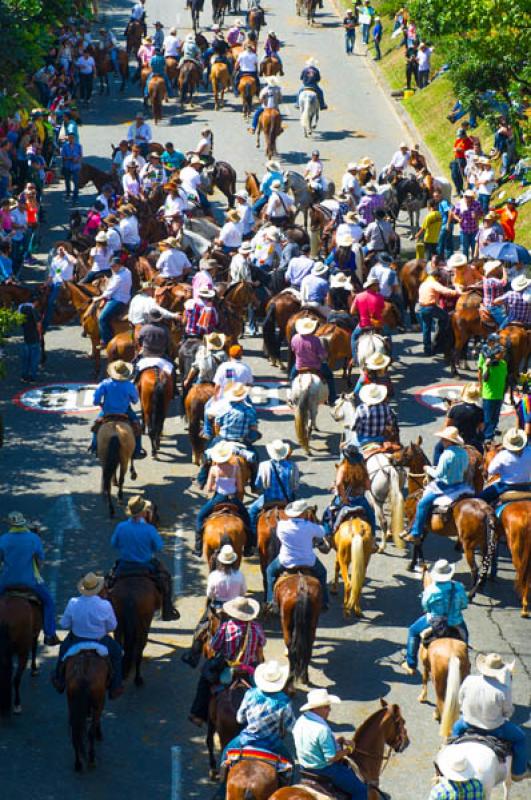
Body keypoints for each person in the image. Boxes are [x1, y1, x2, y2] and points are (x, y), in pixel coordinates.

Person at [452, 652, 530, 782]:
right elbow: (508, 712)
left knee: (453, 733)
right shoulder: (502, 690)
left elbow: (460, 699)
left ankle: (447, 758)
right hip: (495, 728)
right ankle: (518, 772)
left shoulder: (469, 680)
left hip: (467, 724)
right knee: (520, 738)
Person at [188, 596, 265, 727]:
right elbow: (259, 650)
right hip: (248, 668)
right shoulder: (257, 628)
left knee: (204, 682)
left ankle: (198, 715)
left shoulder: (226, 627)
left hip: (227, 667)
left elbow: (215, 646)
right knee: (266, 690)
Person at [52, 572, 124, 698]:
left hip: (76, 640)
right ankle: (116, 686)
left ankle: (59, 679)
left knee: (63, 649)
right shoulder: (105, 605)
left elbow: (64, 624)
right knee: (117, 652)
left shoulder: (73, 602)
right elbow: (113, 626)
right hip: (101, 640)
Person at [110, 495, 179, 620]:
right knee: (166, 579)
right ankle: (167, 610)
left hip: (124, 564)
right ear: (143, 512)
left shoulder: (121, 527)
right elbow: (158, 547)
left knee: (109, 582)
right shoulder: (149, 529)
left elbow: (114, 543)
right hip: (146, 564)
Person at [293, 688, 368, 799]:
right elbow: (331, 758)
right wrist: (349, 750)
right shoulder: (322, 729)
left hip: (304, 766)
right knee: (360, 790)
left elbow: (313, 744)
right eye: (326, 707)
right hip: (324, 769)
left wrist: (336, 741)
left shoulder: (300, 721)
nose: (330, 709)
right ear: (316, 708)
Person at [181, 544, 247, 669]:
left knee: (200, 628)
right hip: (235, 607)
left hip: (217, 607)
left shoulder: (214, 576)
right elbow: (243, 592)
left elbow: (209, 594)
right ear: (233, 561)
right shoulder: (239, 575)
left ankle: (193, 655)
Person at [0, 511, 60, 646]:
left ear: (10, 524)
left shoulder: (3, 539)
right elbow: (40, 559)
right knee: (49, 602)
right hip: (30, 581)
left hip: (6, 581)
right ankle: (50, 634)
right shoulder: (34, 538)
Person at [402, 427, 470, 543]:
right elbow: (464, 468)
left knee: (422, 504)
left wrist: (427, 468)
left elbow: (438, 474)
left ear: (449, 441)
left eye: (444, 439)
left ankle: (416, 533)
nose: (442, 441)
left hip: (445, 486)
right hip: (460, 484)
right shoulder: (463, 452)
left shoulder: (447, 454)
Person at [221, 659, 295, 766]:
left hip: (247, 739)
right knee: (290, 764)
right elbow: (291, 727)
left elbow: (239, 718)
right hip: (272, 743)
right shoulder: (284, 702)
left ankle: (222, 781)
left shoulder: (250, 693)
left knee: (225, 755)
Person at [401, 559, 468, 674]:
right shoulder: (459, 587)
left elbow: (425, 606)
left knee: (413, 631)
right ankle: (466, 661)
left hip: (435, 621)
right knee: (465, 639)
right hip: (456, 622)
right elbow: (464, 604)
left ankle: (410, 663)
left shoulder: (430, 590)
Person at [265, 499, 329, 611]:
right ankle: (324, 601)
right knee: (323, 572)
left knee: (270, 571)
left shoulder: (282, 526)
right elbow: (324, 531)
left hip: (286, 561)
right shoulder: (310, 526)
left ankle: (271, 601)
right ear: (304, 513)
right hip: (308, 561)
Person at [195, 441, 252, 556]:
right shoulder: (236, 468)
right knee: (247, 518)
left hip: (218, 499)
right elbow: (240, 489)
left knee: (200, 516)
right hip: (233, 498)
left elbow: (209, 489)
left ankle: (198, 547)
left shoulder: (214, 470)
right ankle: (248, 546)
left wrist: (217, 485)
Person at [92, 360, 146, 459]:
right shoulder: (129, 385)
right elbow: (135, 400)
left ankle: (94, 447)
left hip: (107, 412)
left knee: (96, 426)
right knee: (137, 427)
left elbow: (96, 400)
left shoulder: (105, 383)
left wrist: (99, 403)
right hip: (124, 411)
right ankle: (138, 450)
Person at [248, 439, 300, 536]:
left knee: (251, 511)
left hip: (268, 500)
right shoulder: (293, 466)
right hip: (286, 500)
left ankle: (253, 537)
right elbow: (295, 486)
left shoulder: (264, 465)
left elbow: (258, 485)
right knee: (300, 514)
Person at [290, 316, 337, 405]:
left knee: (292, 377)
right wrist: (325, 355)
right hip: (316, 367)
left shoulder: (295, 338)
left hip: (299, 366)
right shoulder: (316, 340)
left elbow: (294, 350)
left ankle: (292, 398)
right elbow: (322, 356)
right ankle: (332, 399)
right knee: (329, 377)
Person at [433, 384, 484, 464]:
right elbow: (480, 428)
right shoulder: (480, 411)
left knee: (438, 448)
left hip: (455, 439)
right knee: (481, 451)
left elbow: (446, 426)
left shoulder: (455, 408)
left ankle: (436, 467)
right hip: (471, 440)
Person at [417, 263, 460, 356]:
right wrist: (456, 292)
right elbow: (445, 291)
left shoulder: (424, 283)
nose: (440, 280)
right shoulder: (433, 283)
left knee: (426, 328)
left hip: (422, 307)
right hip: (430, 307)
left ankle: (427, 350)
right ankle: (440, 342)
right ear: (436, 277)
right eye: (439, 278)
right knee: (446, 318)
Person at [479, 427, 531, 504]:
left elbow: (491, 471)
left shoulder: (502, 455)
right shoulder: (529, 451)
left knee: (479, 499)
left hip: (506, 486)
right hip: (526, 486)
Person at [94, 257, 132, 347]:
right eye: (111, 266)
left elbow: (109, 291)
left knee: (102, 319)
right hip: (127, 297)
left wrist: (98, 298)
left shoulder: (118, 277)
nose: (112, 268)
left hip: (117, 300)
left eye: (114, 266)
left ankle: (107, 341)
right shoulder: (127, 271)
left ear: (119, 265)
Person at [477, 335, 508, 441]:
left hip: (499, 395)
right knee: (487, 419)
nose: (503, 354)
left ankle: (490, 434)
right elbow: (485, 377)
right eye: (501, 352)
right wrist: (488, 367)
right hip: (489, 396)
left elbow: (504, 380)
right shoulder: (489, 363)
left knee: (495, 418)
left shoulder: (504, 364)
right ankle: (487, 439)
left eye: (504, 352)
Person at [42, 245, 77, 331]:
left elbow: (75, 262)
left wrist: (65, 253)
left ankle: (46, 322)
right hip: (55, 281)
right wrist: (46, 283)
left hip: (65, 283)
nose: (61, 250)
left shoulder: (68, 258)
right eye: (59, 249)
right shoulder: (55, 259)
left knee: (51, 301)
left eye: (63, 249)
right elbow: (54, 272)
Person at [350, 277, 385, 355]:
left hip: (363, 324)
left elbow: (352, 312)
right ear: (372, 286)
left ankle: (355, 359)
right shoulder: (380, 297)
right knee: (388, 337)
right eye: (377, 285)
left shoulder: (358, 296)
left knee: (354, 337)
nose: (378, 287)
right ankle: (389, 355)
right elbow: (382, 310)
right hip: (377, 324)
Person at [450, 190, 483, 259]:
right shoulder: (459, 204)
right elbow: (453, 214)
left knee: (475, 249)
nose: (469, 199)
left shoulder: (477, 204)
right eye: (467, 197)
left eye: (471, 197)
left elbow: (482, 214)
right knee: (465, 249)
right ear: (464, 197)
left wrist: (477, 216)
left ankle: (474, 263)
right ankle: (466, 264)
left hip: (474, 230)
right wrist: (458, 219)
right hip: (464, 231)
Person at [17, 300, 41, 383]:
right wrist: (40, 335)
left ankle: (24, 376)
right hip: (34, 338)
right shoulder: (33, 310)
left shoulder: (21, 309)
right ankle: (32, 377)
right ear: (35, 302)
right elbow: (38, 324)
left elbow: (19, 323)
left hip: (26, 337)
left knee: (25, 359)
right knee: (34, 359)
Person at [479, 260, 508, 327]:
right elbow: (504, 283)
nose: (499, 269)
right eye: (497, 268)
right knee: (506, 322)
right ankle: (498, 333)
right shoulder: (494, 281)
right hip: (494, 306)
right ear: (493, 270)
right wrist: (504, 270)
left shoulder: (486, 279)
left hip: (487, 304)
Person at [60, 132, 82, 202]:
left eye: (72, 138)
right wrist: (70, 158)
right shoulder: (65, 146)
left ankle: (75, 197)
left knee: (76, 182)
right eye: (69, 138)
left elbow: (80, 155)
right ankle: (68, 195)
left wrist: (77, 159)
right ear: (68, 138)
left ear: (74, 138)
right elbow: (63, 157)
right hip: (67, 166)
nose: (71, 139)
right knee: (67, 181)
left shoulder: (79, 146)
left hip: (76, 166)